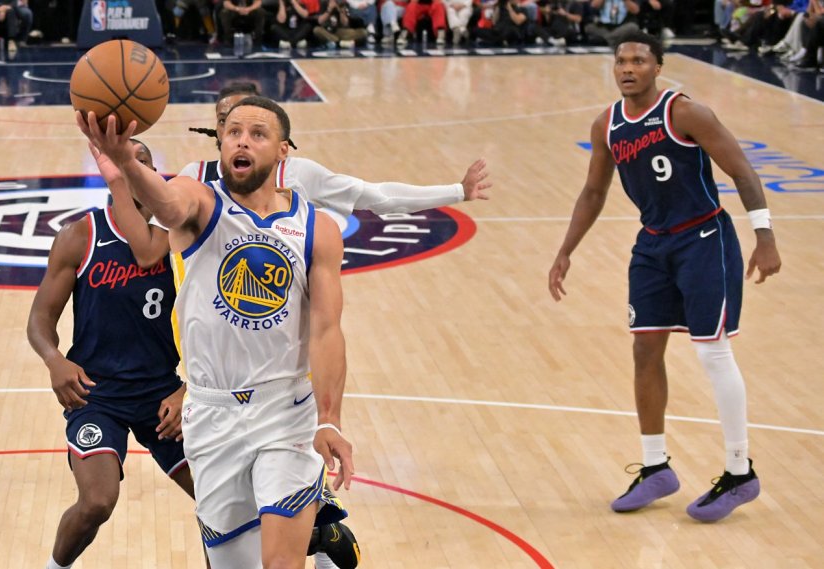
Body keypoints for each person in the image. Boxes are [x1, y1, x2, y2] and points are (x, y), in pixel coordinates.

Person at [81, 99, 354, 569]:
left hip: (283, 411)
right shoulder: (200, 201)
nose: (242, 140)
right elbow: (166, 202)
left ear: (284, 151)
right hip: (210, 413)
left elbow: (328, 331)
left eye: (258, 133)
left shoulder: (317, 228)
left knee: (281, 563)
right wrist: (125, 162)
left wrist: (329, 418)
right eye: (233, 132)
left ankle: (318, 531)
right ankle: (327, 541)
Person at [547, 32, 782, 522]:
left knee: (712, 351)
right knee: (644, 348)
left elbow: (742, 171)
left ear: (658, 67)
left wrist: (764, 236)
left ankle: (740, 471)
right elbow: (593, 192)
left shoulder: (686, 113)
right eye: (620, 61)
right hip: (652, 244)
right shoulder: (606, 125)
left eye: (638, 60)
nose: (628, 68)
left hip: (703, 238)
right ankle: (656, 467)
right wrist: (566, 250)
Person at [28, 140, 196, 569]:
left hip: (163, 396)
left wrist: (189, 389)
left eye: (143, 161)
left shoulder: (178, 238)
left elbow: (211, 326)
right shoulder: (80, 235)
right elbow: (40, 318)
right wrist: (54, 359)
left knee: (221, 500)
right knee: (97, 502)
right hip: (97, 396)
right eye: (123, 159)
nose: (131, 166)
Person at [182, 82, 492, 216]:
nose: (239, 135)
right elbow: (149, 247)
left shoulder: (299, 174)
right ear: (218, 128)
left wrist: (457, 191)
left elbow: (380, 197)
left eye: (254, 125)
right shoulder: (192, 177)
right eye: (228, 123)